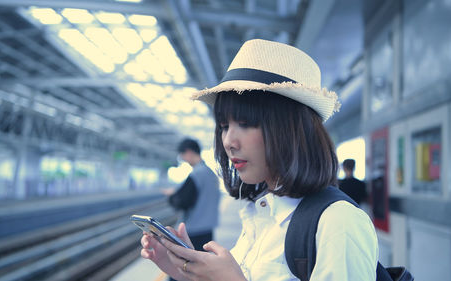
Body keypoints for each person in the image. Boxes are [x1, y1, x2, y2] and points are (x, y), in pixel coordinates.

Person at [141, 39, 378, 281]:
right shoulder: (260, 212)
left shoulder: (338, 222)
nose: (228, 141)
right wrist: (187, 274)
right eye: (224, 126)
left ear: (291, 128)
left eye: (245, 124)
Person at [166, 138, 221, 281]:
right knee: (201, 271)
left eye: (182, 156)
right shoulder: (211, 174)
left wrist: (172, 196)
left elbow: (182, 201)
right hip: (207, 230)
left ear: (189, 153)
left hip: (192, 231)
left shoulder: (196, 174)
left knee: (181, 271)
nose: (183, 159)